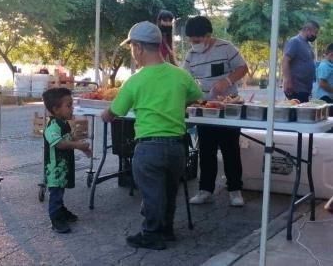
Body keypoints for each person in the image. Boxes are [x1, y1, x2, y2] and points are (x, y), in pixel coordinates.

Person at [101, 21, 203, 250]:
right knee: (169, 190)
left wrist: (104, 114)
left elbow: (114, 112)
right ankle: (166, 230)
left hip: (149, 148)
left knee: (152, 194)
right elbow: (196, 95)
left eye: (132, 48)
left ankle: (152, 234)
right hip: (178, 146)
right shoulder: (180, 75)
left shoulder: (135, 81)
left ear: (137, 47)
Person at [182, 16, 248, 206]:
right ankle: (205, 190)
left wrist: (226, 81)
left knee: (230, 150)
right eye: (191, 41)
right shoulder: (191, 55)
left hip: (228, 106)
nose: (194, 44)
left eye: (197, 40)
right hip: (205, 107)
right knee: (206, 149)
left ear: (208, 36)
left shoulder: (226, 47)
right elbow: (184, 78)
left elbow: (243, 68)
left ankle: (235, 190)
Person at [42, 87, 92, 233]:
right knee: (56, 192)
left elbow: (70, 138)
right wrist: (77, 145)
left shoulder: (64, 123)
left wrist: (83, 147)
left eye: (72, 105)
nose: (72, 109)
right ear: (56, 109)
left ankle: (61, 210)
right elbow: (59, 143)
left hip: (63, 167)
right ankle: (56, 218)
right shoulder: (52, 127)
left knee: (60, 190)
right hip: (55, 169)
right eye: (69, 106)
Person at [282, 20, 320, 103]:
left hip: (305, 90)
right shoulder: (295, 41)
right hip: (295, 89)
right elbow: (285, 61)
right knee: (296, 114)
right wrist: (287, 81)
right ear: (307, 30)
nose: (316, 35)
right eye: (315, 32)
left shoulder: (308, 45)